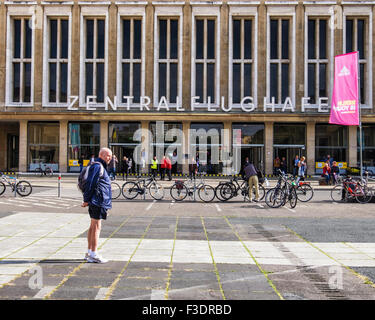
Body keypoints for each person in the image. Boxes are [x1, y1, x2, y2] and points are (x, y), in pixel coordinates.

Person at [81, 147, 112, 264]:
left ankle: (89, 252)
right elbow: (90, 183)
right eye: (109, 155)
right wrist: (86, 199)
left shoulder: (98, 166)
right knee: (96, 227)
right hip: (98, 201)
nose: (110, 158)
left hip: (96, 200)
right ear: (103, 155)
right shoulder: (98, 166)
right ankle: (93, 253)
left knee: (93, 226)